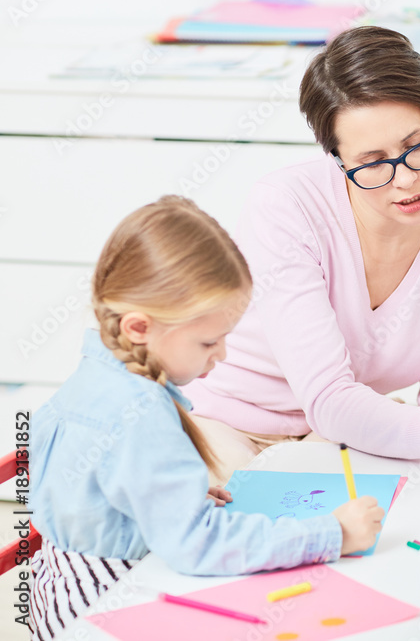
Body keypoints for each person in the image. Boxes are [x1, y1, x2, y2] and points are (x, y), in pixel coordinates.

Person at [184, 26, 420, 513]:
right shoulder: (285, 206)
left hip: (340, 436)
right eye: (372, 162)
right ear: (337, 161)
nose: (406, 179)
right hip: (227, 425)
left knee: (407, 524)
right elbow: (329, 398)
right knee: (242, 528)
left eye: (418, 144)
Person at [28, 197, 384, 641]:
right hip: (111, 607)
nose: (222, 355)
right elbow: (198, 545)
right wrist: (332, 533)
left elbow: (87, 490)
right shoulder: (138, 413)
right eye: (208, 342)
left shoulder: (93, 376)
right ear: (140, 328)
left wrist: (164, 497)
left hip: (58, 594)